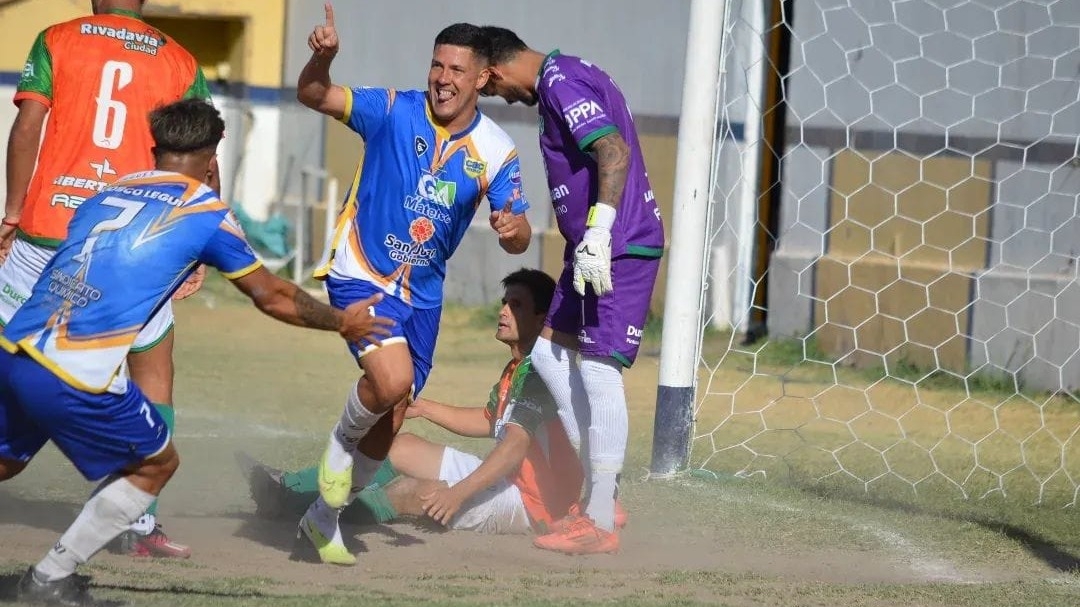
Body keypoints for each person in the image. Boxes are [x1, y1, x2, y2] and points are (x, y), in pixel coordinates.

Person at [0, 98, 393, 606]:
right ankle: (48, 579)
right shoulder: (205, 213)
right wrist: (342, 321)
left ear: (156, 148)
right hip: (76, 368)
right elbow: (270, 294)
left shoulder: (109, 191)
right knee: (155, 465)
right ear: (212, 157)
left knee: (5, 463)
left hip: (16, 346)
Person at [294, 5, 532, 562]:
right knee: (392, 378)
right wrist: (322, 59)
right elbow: (313, 94)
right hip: (362, 271)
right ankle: (337, 450)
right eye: (436, 66)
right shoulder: (391, 109)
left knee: (396, 409)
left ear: (482, 78)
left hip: (423, 297)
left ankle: (322, 518)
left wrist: (514, 230)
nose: (442, 79)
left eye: (456, 69)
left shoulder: (497, 150)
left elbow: (518, 237)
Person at [1, 0, 213, 558]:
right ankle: (137, 520)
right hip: (133, 242)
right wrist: (197, 241)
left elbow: (27, 126)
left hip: (47, 230)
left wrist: (12, 213)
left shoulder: (57, 38)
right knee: (152, 370)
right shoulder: (179, 60)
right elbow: (200, 154)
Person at [240, 269, 630, 563]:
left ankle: (308, 512)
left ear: (542, 318)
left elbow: (513, 444)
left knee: (414, 493)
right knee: (401, 447)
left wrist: (457, 493)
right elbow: (489, 420)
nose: (503, 311)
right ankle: (288, 488)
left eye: (516, 305)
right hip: (511, 480)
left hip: (533, 506)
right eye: (504, 302)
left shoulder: (544, 373)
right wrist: (424, 408)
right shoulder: (520, 367)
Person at [476, 27, 665, 555]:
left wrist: (600, 231)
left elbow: (612, 149)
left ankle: (600, 519)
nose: (499, 97)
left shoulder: (561, 82)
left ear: (494, 71)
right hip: (587, 249)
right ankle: (605, 497)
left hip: (617, 246)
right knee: (549, 353)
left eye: (491, 88)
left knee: (599, 369)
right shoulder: (563, 78)